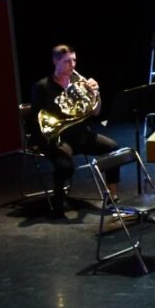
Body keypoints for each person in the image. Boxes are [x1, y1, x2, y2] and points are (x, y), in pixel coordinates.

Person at [31, 44, 119, 216]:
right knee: (65, 166)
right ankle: (58, 199)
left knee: (114, 149)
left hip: (81, 134)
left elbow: (96, 111)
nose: (72, 65)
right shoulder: (42, 87)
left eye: (74, 60)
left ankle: (112, 194)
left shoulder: (79, 83)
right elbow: (36, 120)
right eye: (67, 61)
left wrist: (96, 93)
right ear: (55, 61)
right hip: (58, 137)